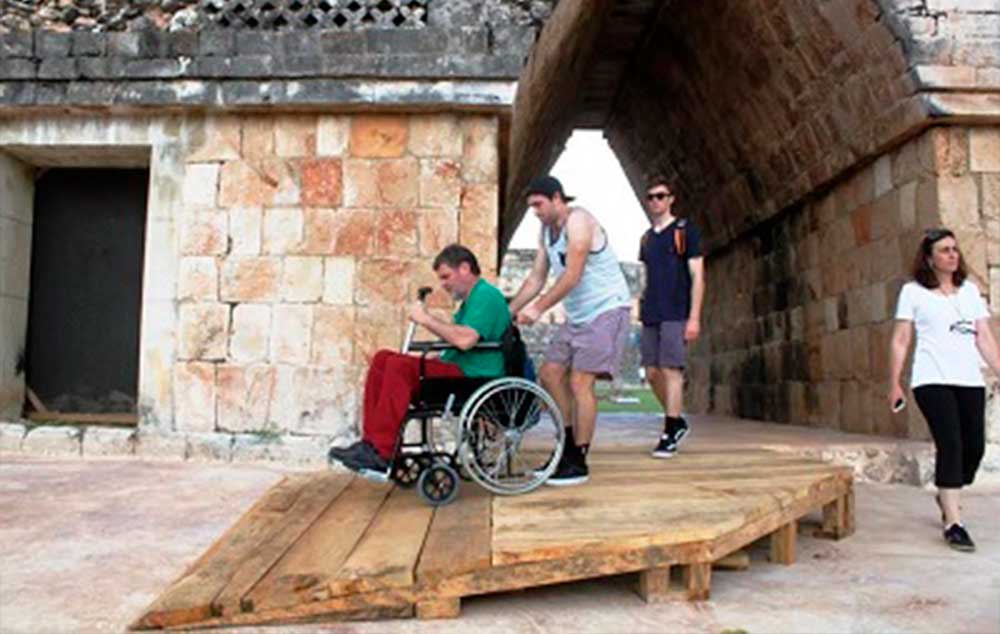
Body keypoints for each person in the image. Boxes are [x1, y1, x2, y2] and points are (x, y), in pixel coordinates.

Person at [328, 244, 510, 473]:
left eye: (446, 276)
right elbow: (459, 341)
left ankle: (383, 450)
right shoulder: (472, 301)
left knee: (397, 365)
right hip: (461, 367)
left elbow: (465, 340)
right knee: (383, 358)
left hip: (474, 375)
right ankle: (371, 443)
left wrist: (426, 319)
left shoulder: (486, 296)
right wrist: (438, 354)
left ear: (464, 268)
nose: (443, 284)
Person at [509, 175, 632, 486]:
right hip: (578, 317)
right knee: (550, 374)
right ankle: (566, 447)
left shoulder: (580, 222)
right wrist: (507, 311)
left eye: (538, 204)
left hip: (606, 310)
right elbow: (537, 279)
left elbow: (573, 276)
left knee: (580, 382)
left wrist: (538, 309)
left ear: (557, 198)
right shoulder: (545, 232)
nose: (534, 211)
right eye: (531, 206)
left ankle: (580, 457)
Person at [889, 228, 1000, 552]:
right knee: (950, 444)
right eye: (944, 250)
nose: (952, 255)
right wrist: (894, 382)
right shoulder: (913, 292)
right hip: (931, 380)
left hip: (969, 381)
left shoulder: (970, 292)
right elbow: (901, 339)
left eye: (954, 249)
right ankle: (954, 523)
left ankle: (946, 490)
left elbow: (984, 337)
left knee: (974, 448)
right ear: (929, 258)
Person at [639, 176, 705, 458]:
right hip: (652, 312)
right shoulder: (647, 238)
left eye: (661, 196)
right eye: (651, 197)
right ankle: (677, 420)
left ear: (671, 198)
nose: (656, 201)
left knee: (671, 370)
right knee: (652, 373)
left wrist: (694, 317)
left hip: (676, 310)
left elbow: (698, 275)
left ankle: (669, 432)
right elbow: (644, 276)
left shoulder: (685, 230)